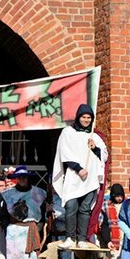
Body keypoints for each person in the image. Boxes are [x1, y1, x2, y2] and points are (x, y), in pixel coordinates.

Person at [52, 104, 108, 248]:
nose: (86, 120)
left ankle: (82, 238)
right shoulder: (68, 132)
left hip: (90, 179)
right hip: (74, 176)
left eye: (89, 117)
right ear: (78, 117)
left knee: (85, 209)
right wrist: (78, 168)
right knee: (71, 206)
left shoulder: (94, 136)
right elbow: (64, 152)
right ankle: (70, 237)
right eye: (84, 117)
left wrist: (95, 148)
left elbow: (105, 156)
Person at [2, 166, 46, 259]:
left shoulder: (39, 193)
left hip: (31, 229)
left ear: (28, 178)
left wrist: (39, 228)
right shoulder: (7, 195)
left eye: (24, 177)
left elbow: (44, 213)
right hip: (14, 231)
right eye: (19, 177)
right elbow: (3, 214)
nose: (22, 179)